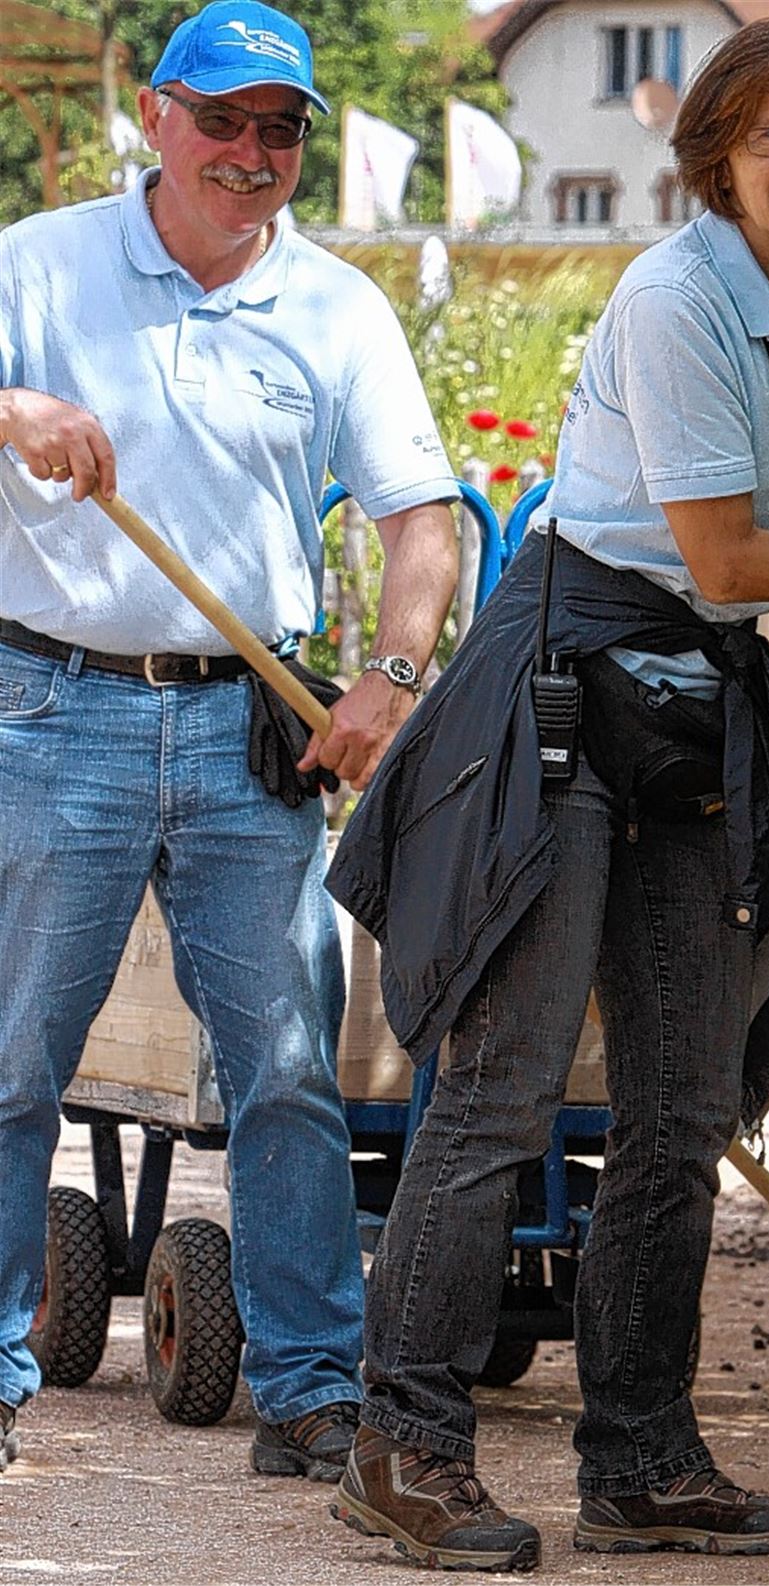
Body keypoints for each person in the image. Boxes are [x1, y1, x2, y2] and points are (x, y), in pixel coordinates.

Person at [325, 14, 769, 1572]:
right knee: (507, 1083)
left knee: (678, 1104)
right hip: (569, 679)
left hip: (694, 693)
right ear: (715, 153)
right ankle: (406, 1445)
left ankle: (641, 1457)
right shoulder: (671, 299)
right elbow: (725, 555)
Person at [0, 0, 458, 1483]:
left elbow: (424, 518)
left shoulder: (338, 309)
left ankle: (312, 1388)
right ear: (158, 114)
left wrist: (387, 674)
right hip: (50, 704)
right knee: (13, 1064)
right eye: (226, 119)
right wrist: (14, 407)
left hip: (245, 727)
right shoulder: (36, 263)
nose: (253, 154)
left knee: (282, 1072)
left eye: (282, 130)